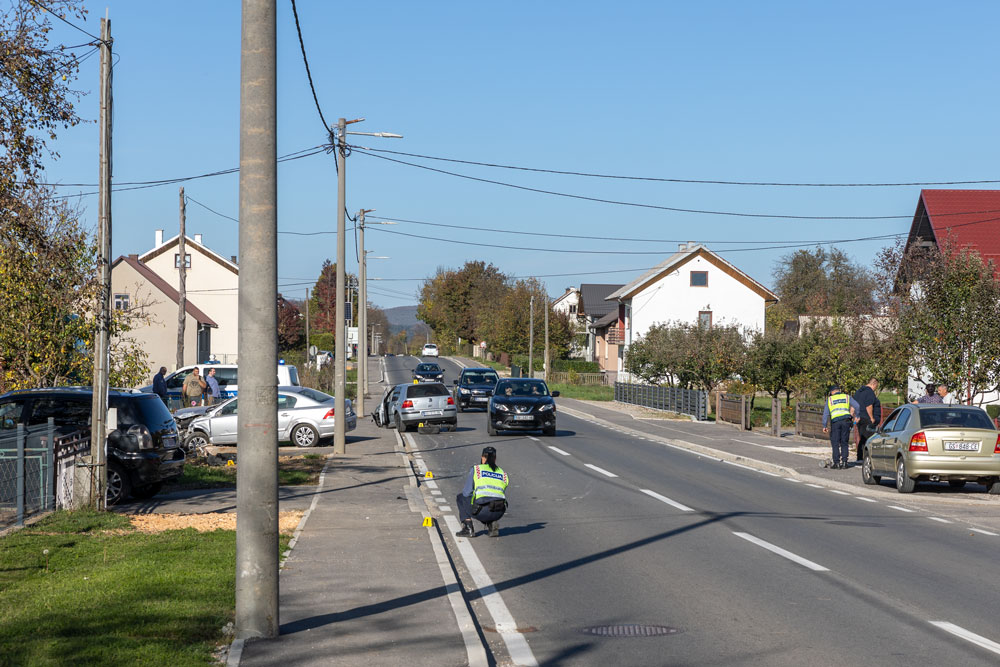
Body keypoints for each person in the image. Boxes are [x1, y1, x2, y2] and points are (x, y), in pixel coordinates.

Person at [455, 446, 508, 538]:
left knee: (460, 498)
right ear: (495, 458)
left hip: (481, 511)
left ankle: (468, 529)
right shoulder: (502, 473)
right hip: (499, 511)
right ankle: (491, 523)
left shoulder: (477, 469)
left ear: (483, 458)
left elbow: (466, 493)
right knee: (491, 501)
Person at [822, 384, 859, 469]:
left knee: (835, 442)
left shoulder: (830, 399)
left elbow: (826, 414)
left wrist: (824, 425)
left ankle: (837, 463)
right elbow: (857, 406)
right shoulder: (846, 397)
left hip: (835, 422)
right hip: (846, 421)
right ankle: (845, 462)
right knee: (844, 442)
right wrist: (858, 416)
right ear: (839, 390)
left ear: (831, 392)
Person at [853, 377, 879, 462]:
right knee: (869, 439)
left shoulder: (858, 392)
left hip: (859, 418)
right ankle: (866, 457)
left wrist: (853, 416)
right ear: (873, 384)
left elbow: (853, 405)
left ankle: (860, 457)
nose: (876, 389)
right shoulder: (869, 392)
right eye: (876, 386)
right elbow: (869, 406)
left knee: (862, 438)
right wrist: (871, 418)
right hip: (866, 419)